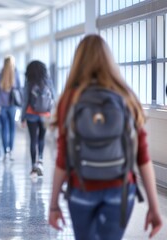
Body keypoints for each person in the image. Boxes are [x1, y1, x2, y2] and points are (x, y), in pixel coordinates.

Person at [48, 35, 163, 240]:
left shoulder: (70, 99)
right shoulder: (126, 97)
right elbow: (142, 158)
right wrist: (154, 208)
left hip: (81, 188)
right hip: (120, 190)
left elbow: (62, 158)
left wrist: (54, 204)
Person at [21, 60, 55, 177]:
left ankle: (33, 167)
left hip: (31, 114)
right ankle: (40, 160)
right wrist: (50, 113)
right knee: (42, 138)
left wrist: (22, 117)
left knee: (33, 140)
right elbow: (53, 97)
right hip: (45, 115)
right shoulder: (48, 81)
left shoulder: (29, 82)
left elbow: (25, 100)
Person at [0, 56, 21, 161]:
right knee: (12, 128)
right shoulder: (16, 75)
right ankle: (11, 151)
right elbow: (19, 89)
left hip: (2, 107)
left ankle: (5, 152)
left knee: (4, 128)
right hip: (13, 106)